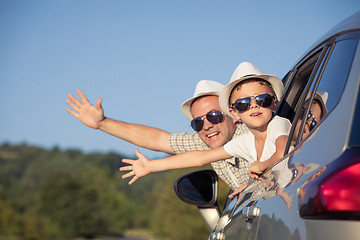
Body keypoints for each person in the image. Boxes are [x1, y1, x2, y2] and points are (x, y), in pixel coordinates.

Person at [120, 62, 290, 194]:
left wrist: (263, 166)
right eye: (243, 104)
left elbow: (282, 152)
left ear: (274, 104)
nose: (253, 106)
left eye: (263, 100)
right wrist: (151, 166)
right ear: (235, 113)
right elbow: (199, 158)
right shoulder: (244, 142)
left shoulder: (277, 124)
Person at [66, 78, 250, 191]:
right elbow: (159, 139)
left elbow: (198, 159)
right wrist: (103, 123)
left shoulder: (252, 133)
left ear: (233, 115)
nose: (207, 126)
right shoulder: (208, 141)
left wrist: (152, 166)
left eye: (214, 116)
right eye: (198, 122)